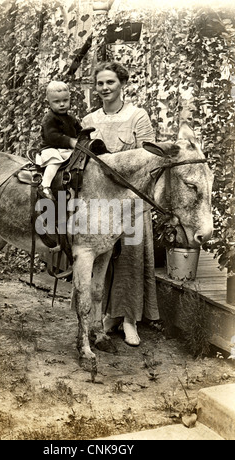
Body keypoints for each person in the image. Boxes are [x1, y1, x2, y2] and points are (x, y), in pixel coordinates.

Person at [82, 61, 160, 347]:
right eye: (100, 83)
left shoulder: (138, 116)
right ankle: (104, 317)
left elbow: (150, 159)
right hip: (99, 202)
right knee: (100, 259)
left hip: (131, 201)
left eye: (110, 83)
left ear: (122, 84)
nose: (104, 88)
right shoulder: (89, 120)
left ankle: (128, 319)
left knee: (128, 258)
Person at [36, 81, 82, 200]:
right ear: (48, 103)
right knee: (55, 161)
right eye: (56, 101)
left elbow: (79, 131)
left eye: (65, 100)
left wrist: (83, 136)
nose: (62, 104)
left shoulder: (71, 119)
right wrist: (70, 141)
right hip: (50, 148)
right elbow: (52, 136)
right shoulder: (49, 119)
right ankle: (45, 185)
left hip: (65, 149)